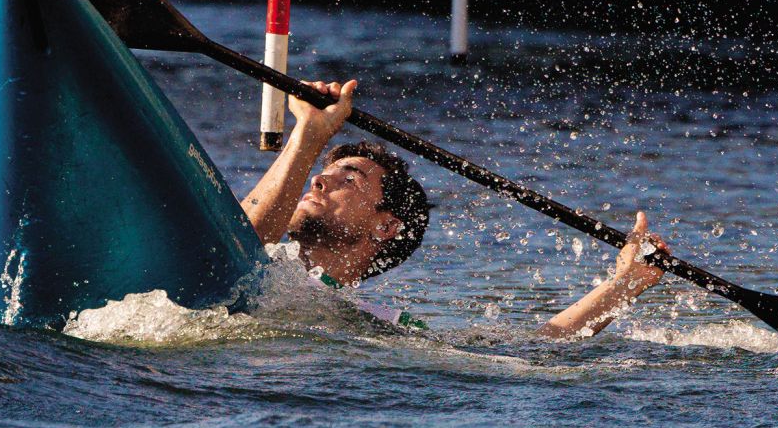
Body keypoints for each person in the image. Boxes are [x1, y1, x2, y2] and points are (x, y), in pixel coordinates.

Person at [239, 79, 670, 337]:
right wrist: (308, 134)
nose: (318, 180)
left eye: (349, 179)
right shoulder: (257, 260)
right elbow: (241, 240)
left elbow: (533, 352)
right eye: (324, 171)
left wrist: (623, 285)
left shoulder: (375, 325)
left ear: (386, 226)